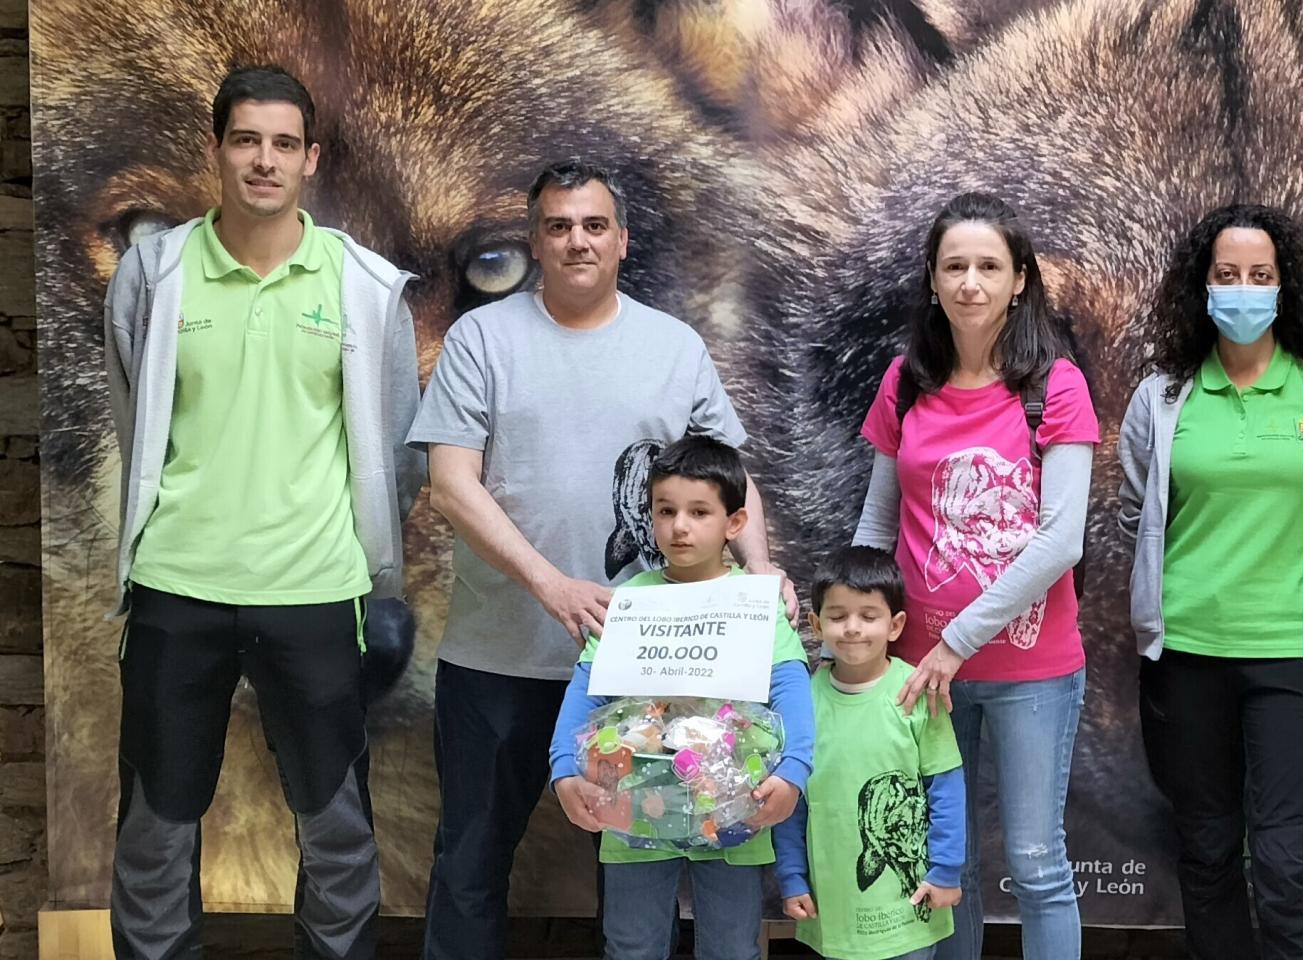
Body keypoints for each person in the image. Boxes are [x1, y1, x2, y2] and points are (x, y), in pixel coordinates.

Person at [408, 162, 794, 959]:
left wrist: (760, 569)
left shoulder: (673, 345)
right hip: (498, 657)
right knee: (472, 862)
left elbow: (731, 475)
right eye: (558, 226)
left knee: (635, 882)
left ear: (621, 241)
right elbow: (451, 484)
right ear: (535, 242)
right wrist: (551, 585)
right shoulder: (482, 338)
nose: (576, 240)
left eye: (593, 225)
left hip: (645, 676)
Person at [102, 64, 423, 959]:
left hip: (317, 591)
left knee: (335, 828)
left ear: (311, 158)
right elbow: (137, 421)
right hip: (177, 583)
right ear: (218, 149)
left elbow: (395, 449)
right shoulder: (153, 275)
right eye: (247, 140)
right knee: (157, 829)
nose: (265, 161)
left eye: (284, 143)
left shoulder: (365, 287)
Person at [1115, 203, 1303, 959]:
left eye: (1260, 276)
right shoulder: (1161, 399)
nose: (1242, 290)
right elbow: (1139, 516)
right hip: (1185, 656)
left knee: (1290, 864)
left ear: (1284, 288)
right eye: (1226, 275)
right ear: (1200, 288)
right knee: (1207, 852)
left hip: (1297, 660)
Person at [852, 191, 1097, 960]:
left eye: (989, 266)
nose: (971, 283)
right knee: (945, 862)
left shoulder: (1056, 387)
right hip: (921, 673)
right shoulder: (905, 381)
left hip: (1031, 668)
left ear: (1019, 279)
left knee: (1035, 863)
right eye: (954, 266)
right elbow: (876, 525)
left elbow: (1060, 542)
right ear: (932, 279)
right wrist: (853, 629)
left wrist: (956, 639)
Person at [548, 435, 814, 960]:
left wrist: (794, 773)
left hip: (738, 806)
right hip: (633, 806)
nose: (679, 526)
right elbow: (584, 690)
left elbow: (792, 689)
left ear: (734, 523)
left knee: (734, 947)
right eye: (665, 511)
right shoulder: (624, 603)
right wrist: (562, 770)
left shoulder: (757, 603)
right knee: (631, 945)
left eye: (699, 511)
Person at [776, 546, 967, 960]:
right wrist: (792, 878)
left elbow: (946, 790)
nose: (852, 629)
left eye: (868, 615)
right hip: (836, 907)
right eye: (838, 615)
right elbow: (793, 804)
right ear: (815, 624)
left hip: (913, 903)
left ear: (895, 624)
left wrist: (946, 872)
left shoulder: (916, 695)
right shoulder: (802, 703)